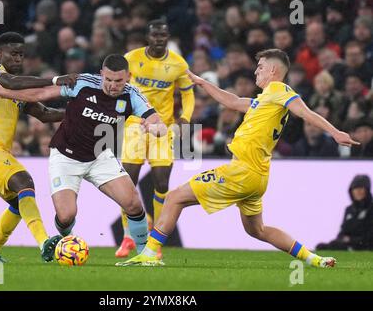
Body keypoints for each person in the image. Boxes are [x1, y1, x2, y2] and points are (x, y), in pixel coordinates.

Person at [117, 48, 360, 267]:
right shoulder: (265, 100)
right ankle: (314, 259)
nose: (256, 71)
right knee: (258, 230)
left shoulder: (279, 89)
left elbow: (305, 112)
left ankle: (149, 253)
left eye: (261, 66)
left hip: (242, 171)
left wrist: (335, 132)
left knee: (174, 198)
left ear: (273, 70)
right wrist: (202, 82)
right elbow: (231, 101)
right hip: (257, 176)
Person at [0, 54, 166, 256]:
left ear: (128, 77)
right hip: (65, 156)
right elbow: (42, 93)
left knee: (133, 203)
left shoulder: (133, 95)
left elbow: (158, 124)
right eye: (108, 80)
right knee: (65, 216)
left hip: (100, 156)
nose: (112, 86)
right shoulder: (83, 83)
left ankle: (145, 254)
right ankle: (66, 240)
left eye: (118, 81)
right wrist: (6, 93)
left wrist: (153, 128)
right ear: (101, 74)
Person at [0, 32, 77, 263]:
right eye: (13, 54)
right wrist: (54, 80)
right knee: (24, 183)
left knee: (20, 203)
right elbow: (10, 82)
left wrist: (76, 114)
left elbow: (45, 114)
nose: (18, 59)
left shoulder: (17, 93)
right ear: (0, 54)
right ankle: (44, 243)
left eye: (21, 54)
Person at [116, 19, 195, 258]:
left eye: (163, 35)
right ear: (148, 37)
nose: (159, 39)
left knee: (161, 183)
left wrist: (186, 118)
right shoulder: (131, 58)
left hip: (163, 128)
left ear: (167, 37)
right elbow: (116, 86)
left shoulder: (178, 64)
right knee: (127, 181)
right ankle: (128, 236)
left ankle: (154, 240)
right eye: (155, 35)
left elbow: (188, 94)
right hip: (135, 126)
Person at [316, 175, 373, 251]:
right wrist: (341, 239)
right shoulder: (349, 210)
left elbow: (369, 237)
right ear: (351, 191)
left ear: (367, 190)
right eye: (355, 188)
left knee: (337, 246)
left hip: (365, 247)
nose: (358, 191)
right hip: (348, 245)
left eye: (361, 188)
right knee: (322, 246)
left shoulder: (371, 208)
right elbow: (342, 232)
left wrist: (350, 240)